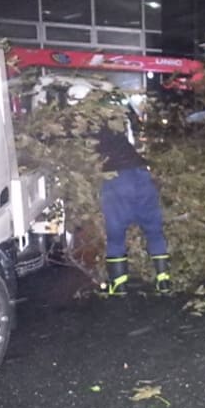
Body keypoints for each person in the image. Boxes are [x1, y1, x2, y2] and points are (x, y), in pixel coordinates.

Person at [67, 84, 171, 296]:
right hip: (141, 174)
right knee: (153, 228)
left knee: (116, 233)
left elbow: (80, 157)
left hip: (116, 179)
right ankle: (164, 281)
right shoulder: (113, 118)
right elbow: (131, 142)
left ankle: (119, 285)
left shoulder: (81, 125)